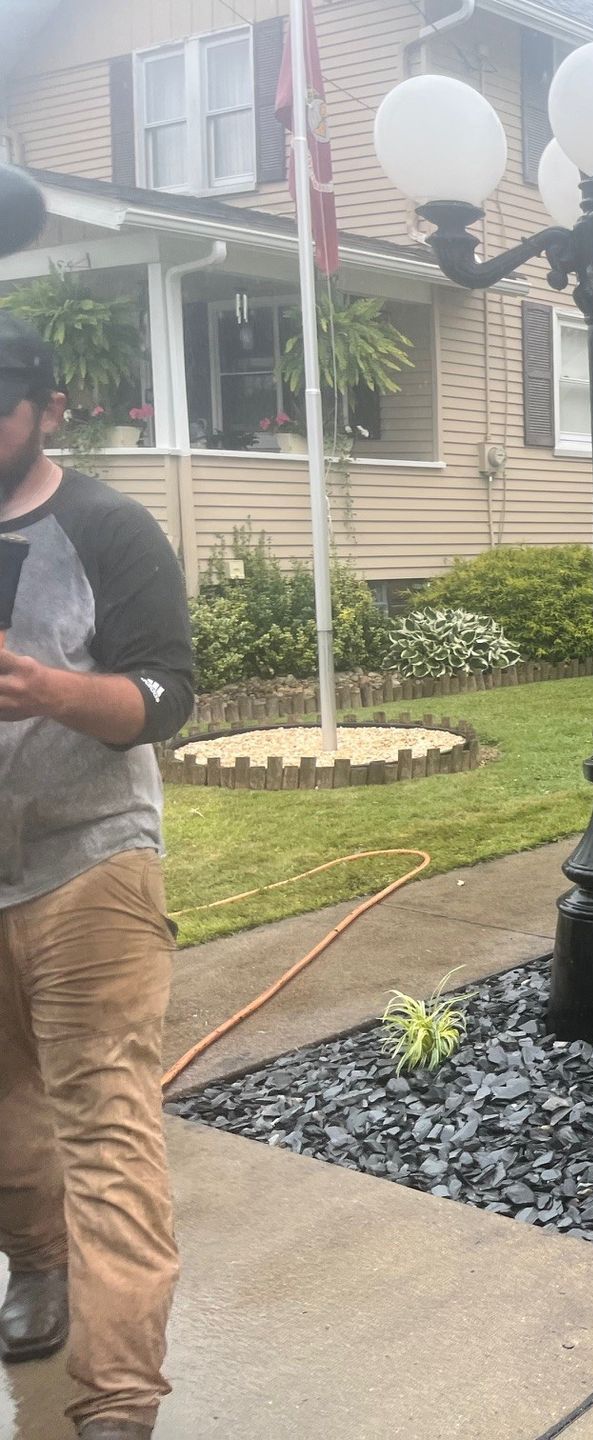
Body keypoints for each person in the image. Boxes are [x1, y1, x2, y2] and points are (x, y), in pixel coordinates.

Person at [0, 311, 194, 1440]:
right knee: (5, 1104)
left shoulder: (107, 527)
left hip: (91, 864)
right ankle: (37, 1265)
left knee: (108, 1128)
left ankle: (118, 1401)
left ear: (49, 411)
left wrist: (47, 690)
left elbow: (167, 697)